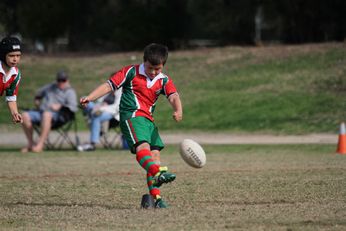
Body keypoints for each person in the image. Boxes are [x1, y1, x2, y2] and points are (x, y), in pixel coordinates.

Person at [80, 43, 183, 208]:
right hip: (132, 117)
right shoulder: (130, 72)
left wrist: (178, 110)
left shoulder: (163, 80)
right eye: (150, 68)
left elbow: (173, 96)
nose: (153, 72)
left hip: (148, 121)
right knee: (143, 149)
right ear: (144, 61)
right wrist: (90, 97)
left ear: (163, 65)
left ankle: (156, 200)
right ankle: (158, 173)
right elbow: (109, 85)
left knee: (155, 157)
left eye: (158, 69)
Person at [21, 71, 78, 153]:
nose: (61, 82)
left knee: (46, 115)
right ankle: (31, 144)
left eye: (63, 80)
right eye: (59, 80)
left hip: (58, 117)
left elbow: (73, 107)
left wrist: (60, 106)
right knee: (24, 115)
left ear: (67, 80)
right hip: (42, 112)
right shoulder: (51, 87)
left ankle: (40, 145)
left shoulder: (70, 91)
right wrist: (37, 99)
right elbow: (38, 93)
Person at [0, 36, 23, 124]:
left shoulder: (16, 74)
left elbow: (11, 96)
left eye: (18, 55)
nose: (15, 59)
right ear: (2, 55)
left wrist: (15, 113)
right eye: (11, 55)